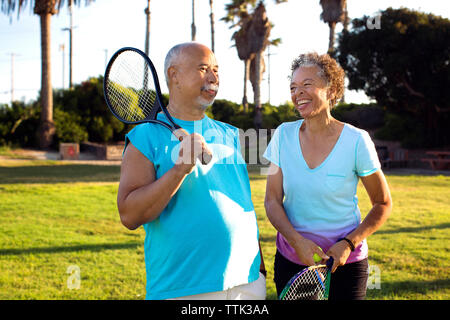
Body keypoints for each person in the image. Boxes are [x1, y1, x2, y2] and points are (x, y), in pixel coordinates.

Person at [117, 42, 266, 300]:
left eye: (216, 70)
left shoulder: (230, 134)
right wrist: (179, 171)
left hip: (248, 282)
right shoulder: (145, 137)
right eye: (203, 68)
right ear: (174, 75)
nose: (213, 77)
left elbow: (243, 205)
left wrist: (259, 269)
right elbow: (129, 215)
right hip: (186, 288)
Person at [263, 52, 392, 300]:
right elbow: (271, 199)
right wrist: (297, 241)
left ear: (331, 90)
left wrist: (348, 243)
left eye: (307, 84)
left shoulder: (357, 140)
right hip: (292, 262)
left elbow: (382, 203)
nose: (297, 93)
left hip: (347, 265)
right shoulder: (282, 135)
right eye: (293, 87)